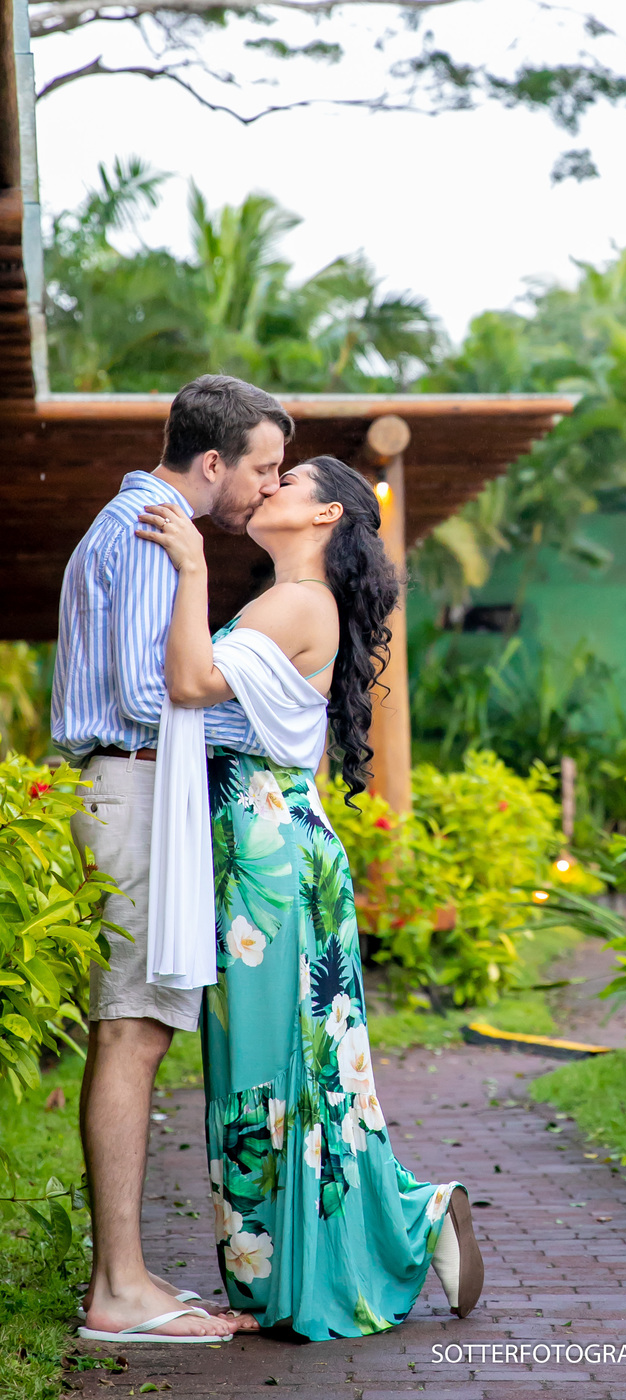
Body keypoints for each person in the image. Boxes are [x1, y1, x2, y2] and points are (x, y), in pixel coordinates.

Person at [131, 455, 485, 1341]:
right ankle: (393, 1226)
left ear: (326, 515)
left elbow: (189, 685)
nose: (268, 487)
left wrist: (191, 565)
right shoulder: (290, 601)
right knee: (297, 1071)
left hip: (269, 867)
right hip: (272, 857)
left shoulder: (296, 601)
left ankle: (333, 1259)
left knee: (271, 1071)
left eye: (286, 480)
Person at [54, 374, 294, 1344]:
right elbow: (149, 694)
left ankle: (127, 1274)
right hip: (134, 784)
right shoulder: (156, 531)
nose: (268, 488)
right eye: (263, 468)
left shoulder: (133, 523)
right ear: (213, 461)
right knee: (132, 1031)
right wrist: (272, 721)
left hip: (133, 788)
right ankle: (117, 1291)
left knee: (134, 1029)